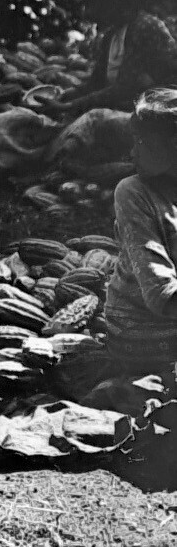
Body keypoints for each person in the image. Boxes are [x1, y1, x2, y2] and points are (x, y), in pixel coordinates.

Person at [101, 88, 177, 378]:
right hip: (141, 329)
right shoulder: (133, 193)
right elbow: (161, 295)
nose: (132, 152)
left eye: (142, 142)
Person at [49, 0, 177, 121]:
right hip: (136, 110)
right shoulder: (111, 36)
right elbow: (97, 82)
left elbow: (124, 89)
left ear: (113, 0)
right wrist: (67, 95)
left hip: (163, 114)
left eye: (93, 3)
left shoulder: (145, 27)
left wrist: (71, 105)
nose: (87, 12)